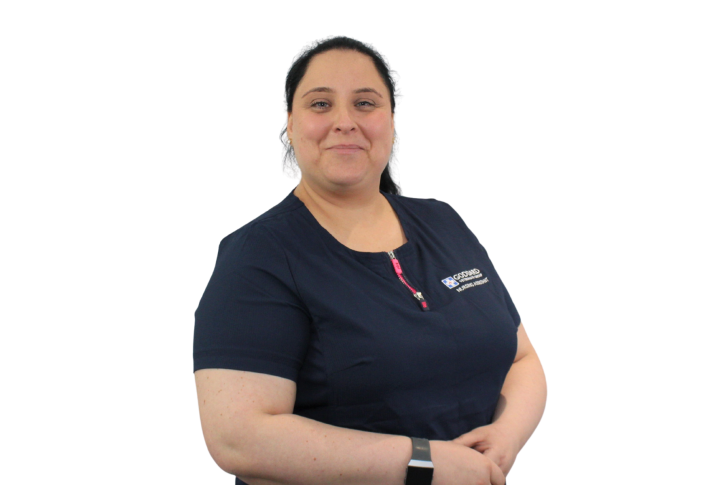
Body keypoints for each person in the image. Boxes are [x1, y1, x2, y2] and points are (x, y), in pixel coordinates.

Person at [193, 35, 548, 485]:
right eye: (321, 104)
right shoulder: (258, 256)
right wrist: (423, 462)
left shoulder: (443, 221)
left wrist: (505, 438)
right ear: (290, 123)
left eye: (365, 103)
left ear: (392, 120)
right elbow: (238, 438)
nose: (345, 122)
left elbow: (522, 359)